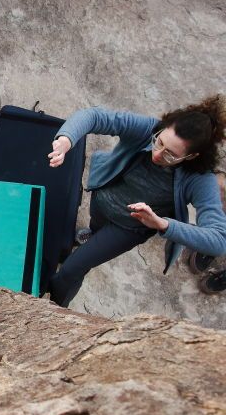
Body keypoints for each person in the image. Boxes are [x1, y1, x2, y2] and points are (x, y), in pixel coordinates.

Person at [47, 96, 226, 307]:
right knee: (96, 227)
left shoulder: (199, 179)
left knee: (70, 270)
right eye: (159, 142)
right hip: (103, 201)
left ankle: (56, 307)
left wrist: (163, 225)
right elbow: (94, 116)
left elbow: (218, 240)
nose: (158, 154)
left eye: (170, 155)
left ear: (191, 156)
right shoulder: (149, 128)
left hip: (129, 227)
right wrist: (66, 139)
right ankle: (94, 235)